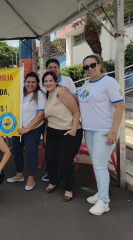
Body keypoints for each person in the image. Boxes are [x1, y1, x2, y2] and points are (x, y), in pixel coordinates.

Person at [78, 54, 125, 215]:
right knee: (99, 165)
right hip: (89, 130)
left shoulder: (109, 82)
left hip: (104, 131)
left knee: (99, 165)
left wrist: (113, 130)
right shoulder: (86, 84)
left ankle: (104, 201)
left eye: (92, 65)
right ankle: (101, 193)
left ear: (99, 65)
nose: (89, 69)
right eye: (86, 67)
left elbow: (120, 107)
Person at [42, 72, 83, 202]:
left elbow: (76, 111)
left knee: (63, 161)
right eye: (46, 81)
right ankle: (54, 182)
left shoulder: (61, 92)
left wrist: (74, 130)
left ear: (55, 81)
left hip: (68, 131)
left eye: (50, 81)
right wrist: (46, 134)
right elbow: (49, 118)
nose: (48, 83)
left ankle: (68, 188)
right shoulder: (49, 95)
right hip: (53, 131)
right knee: (50, 159)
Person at [6, 72, 46, 190]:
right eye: (28, 81)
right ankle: (19, 174)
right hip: (18, 128)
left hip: (33, 128)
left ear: (37, 83)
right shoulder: (18, 92)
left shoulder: (39, 94)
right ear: (24, 82)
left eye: (33, 82)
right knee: (16, 150)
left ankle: (31, 178)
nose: (30, 84)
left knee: (31, 152)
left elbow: (40, 115)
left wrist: (27, 129)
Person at [41, 58, 76, 182]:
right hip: (49, 118)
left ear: (59, 68)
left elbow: (75, 102)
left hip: (65, 123)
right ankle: (50, 174)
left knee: (63, 156)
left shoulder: (67, 81)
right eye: (50, 67)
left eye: (55, 67)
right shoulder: (44, 83)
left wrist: (67, 93)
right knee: (49, 150)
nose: (53, 69)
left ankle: (63, 177)